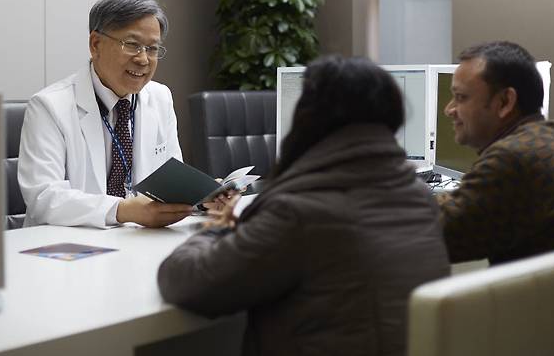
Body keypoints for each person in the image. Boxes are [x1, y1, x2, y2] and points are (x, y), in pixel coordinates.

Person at [157, 56, 450, 356]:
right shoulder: (419, 197)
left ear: (308, 117)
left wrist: (214, 230)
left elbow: (189, 282)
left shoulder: (301, 211)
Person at [19, 0, 194, 228]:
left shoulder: (160, 97)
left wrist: (203, 200)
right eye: (132, 45)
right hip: (70, 247)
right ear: (96, 44)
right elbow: (43, 197)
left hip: (139, 243)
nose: (143, 59)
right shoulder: (49, 106)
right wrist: (121, 210)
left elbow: (172, 179)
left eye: (152, 49)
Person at [437, 40, 554, 264]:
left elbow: (430, 237)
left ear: (505, 102)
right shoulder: (551, 136)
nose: (449, 110)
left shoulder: (513, 158)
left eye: (461, 97)